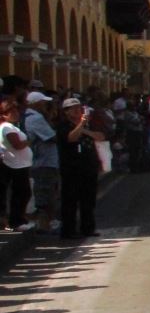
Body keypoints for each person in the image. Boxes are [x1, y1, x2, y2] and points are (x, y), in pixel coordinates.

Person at [55, 97, 102, 239]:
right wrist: (81, 125)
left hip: (89, 166)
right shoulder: (63, 126)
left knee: (88, 200)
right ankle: (69, 230)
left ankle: (88, 228)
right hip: (72, 168)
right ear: (66, 112)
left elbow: (100, 136)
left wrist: (85, 129)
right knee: (70, 200)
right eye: (73, 108)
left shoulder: (87, 125)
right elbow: (71, 138)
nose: (77, 110)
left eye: (79, 107)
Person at [22, 92, 60, 233]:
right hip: (44, 162)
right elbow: (52, 137)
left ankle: (44, 222)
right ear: (36, 104)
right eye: (43, 103)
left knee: (43, 192)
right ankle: (47, 224)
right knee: (46, 193)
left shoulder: (30, 116)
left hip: (39, 161)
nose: (45, 105)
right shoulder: (36, 118)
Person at [0, 98, 33, 229]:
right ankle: (16, 220)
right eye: (11, 111)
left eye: (16, 110)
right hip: (15, 165)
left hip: (20, 164)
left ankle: (17, 219)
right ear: (4, 114)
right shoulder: (7, 127)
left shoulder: (12, 127)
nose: (15, 113)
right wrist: (29, 142)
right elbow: (17, 145)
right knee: (21, 193)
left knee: (22, 192)